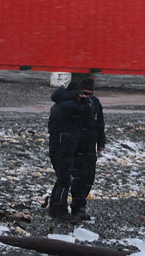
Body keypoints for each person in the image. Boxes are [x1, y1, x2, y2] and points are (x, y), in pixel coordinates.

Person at [47, 80, 83, 221]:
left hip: (58, 146)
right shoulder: (68, 106)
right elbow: (85, 111)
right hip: (64, 148)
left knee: (62, 179)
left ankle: (54, 208)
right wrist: (86, 102)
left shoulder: (59, 104)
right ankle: (60, 211)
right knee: (65, 180)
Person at [71, 77, 105, 221]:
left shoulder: (96, 103)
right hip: (77, 147)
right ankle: (77, 207)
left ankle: (81, 205)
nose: (87, 97)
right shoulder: (74, 104)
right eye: (84, 93)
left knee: (89, 178)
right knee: (80, 178)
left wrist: (101, 142)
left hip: (91, 147)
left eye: (89, 94)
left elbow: (100, 124)